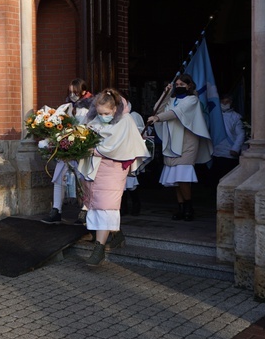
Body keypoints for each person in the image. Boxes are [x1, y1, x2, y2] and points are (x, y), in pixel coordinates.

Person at [78, 90, 150, 265]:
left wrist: (94, 149)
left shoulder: (125, 121)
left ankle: (99, 249)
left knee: (106, 206)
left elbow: (117, 145)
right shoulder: (94, 118)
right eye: (100, 113)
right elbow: (86, 134)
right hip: (95, 167)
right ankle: (117, 235)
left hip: (114, 168)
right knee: (97, 204)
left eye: (107, 113)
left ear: (115, 109)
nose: (103, 116)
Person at [148, 74, 213, 221]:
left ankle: (189, 207)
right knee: (176, 179)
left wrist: (158, 118)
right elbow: (157, 109)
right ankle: (181, 208)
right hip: (171, 143)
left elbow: (177, 113)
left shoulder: (192, 100)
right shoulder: (172, 100)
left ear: (189, 85)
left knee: (183, 178)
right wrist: (165, 94)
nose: (179, 86)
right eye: (176, 84)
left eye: (182, 84)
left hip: (186, 144)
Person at [41, 79, 94, 224]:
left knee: (82, 180)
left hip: (81, 149)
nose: (72, 95)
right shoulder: (66, 107)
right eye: (70, 92)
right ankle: (56, 210)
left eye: (75, 92)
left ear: (83, 91)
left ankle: (85, 209)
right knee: (59, 179)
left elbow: (91, 128)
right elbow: (60, 124)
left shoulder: (91, 108)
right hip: (66, 148)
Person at [211, 93, 246, 185]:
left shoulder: (236, 117)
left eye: (227, 102)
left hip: (229, 152)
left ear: (231, 102)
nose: (224, 103)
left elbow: (241, 134)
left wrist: (235, 148)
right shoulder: (214, 115)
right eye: (222, 102)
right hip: (215, 151)